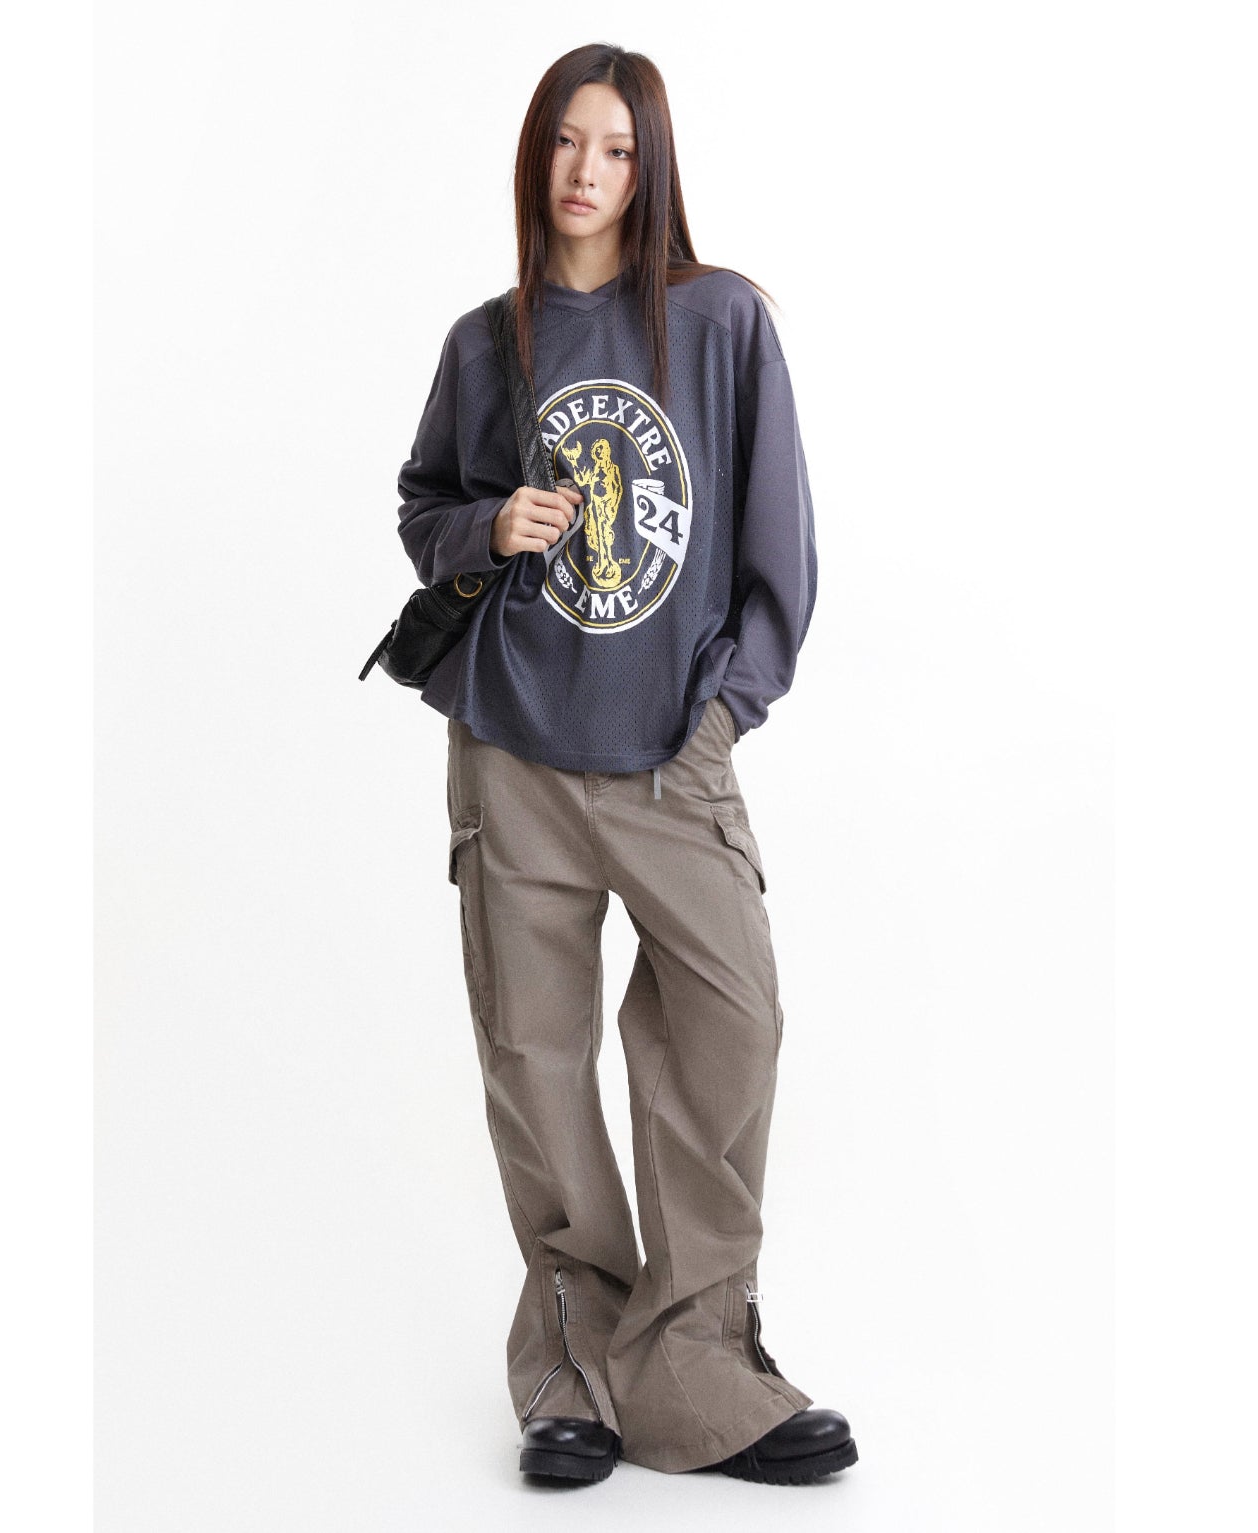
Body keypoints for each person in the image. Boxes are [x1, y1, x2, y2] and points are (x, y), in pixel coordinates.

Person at [394, 42, 852, 1487]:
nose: (585, 172)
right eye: (564, 142)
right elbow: (423, 507)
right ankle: (573, 1367)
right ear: (534, 156)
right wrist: (488, 528)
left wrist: (724, 714)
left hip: (669, 756)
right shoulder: (488, 343)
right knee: (534, 1059)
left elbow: (778, 542)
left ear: (650, 169)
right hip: (513, 747)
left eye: (616, 149)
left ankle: (695, 1360)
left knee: (732, 1020)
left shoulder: (718, 322)